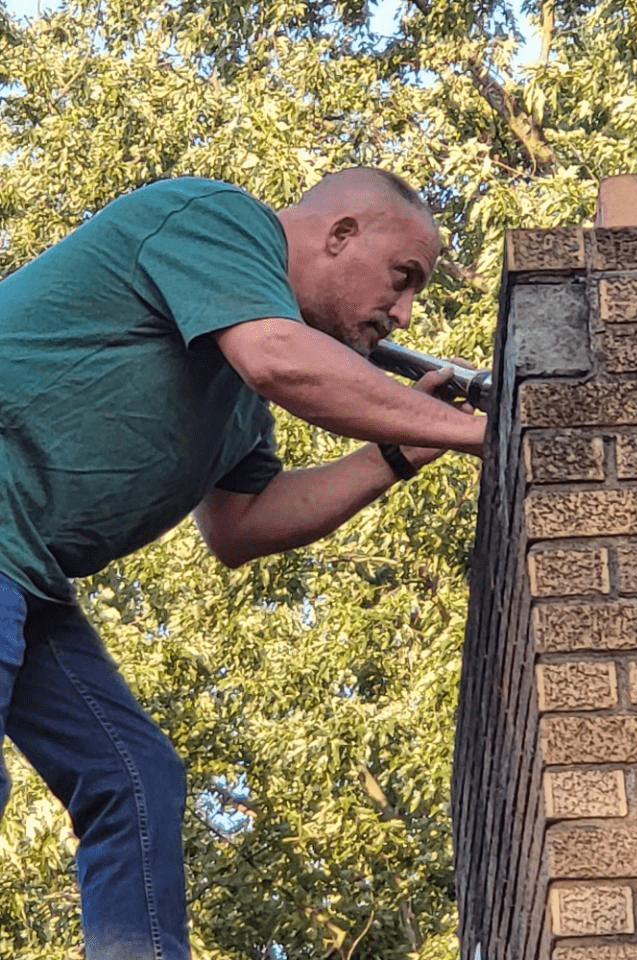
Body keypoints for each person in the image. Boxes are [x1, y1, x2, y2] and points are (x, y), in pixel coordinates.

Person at [0, 166, 485, 958]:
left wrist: (401, 449)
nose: (401, 313)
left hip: (24, 570)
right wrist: (483, 432)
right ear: (339, 234)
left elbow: (241, 526)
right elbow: (282, 359)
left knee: (134, 779)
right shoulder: (216, 217)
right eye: (403, 281)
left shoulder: (234, 399)